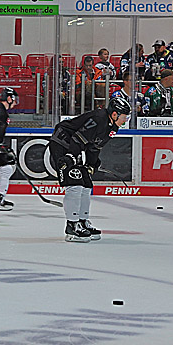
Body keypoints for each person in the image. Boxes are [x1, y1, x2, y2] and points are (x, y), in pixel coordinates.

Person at [46, 94, 131, 242]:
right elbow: (78, 138)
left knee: (86, 184)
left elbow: (95, 146)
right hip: (62, 143)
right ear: (114, 114)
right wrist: (71, 157)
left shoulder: (113, 127)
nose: (126, 120)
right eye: (125, 117)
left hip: (75, 146)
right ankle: (72, 226)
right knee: (74, 184)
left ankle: (82, 221)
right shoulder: (98, 119)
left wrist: (92, 163)